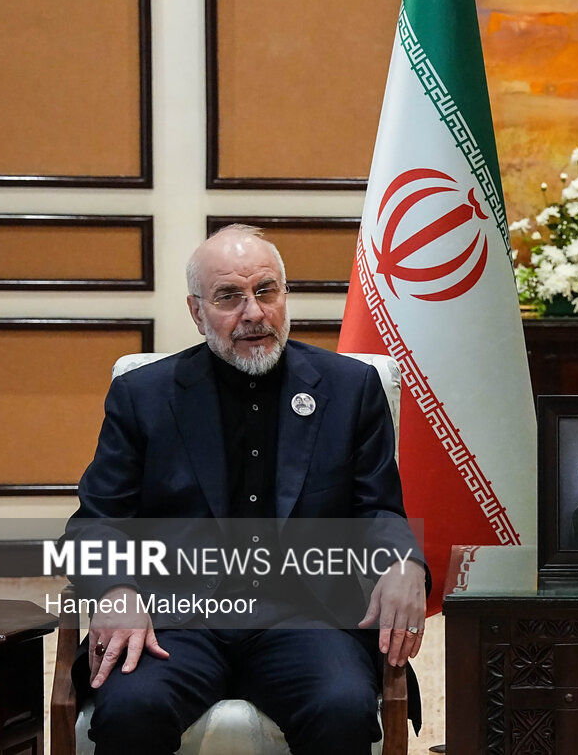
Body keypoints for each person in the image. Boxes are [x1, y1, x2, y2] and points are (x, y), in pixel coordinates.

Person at [62, 224, 428, 755]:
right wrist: (117, 589)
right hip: (175, 620)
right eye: (229, 297)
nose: (253, 312)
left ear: (285, 295)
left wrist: (403, 563)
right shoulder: (143, 396)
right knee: (131, 709)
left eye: (265, 291)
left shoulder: (350, 389)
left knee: (342, 707)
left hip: (307, 618)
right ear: (197, 312)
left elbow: (378, 510)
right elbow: (96, 521)